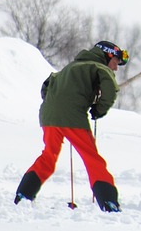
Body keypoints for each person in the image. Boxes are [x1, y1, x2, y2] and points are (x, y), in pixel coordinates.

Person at [14, 40, 127, 212]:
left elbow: (46, 87)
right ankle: (109, 202)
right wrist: (99, 109)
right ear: (107, 55)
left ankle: (24, 194)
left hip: (49, 117)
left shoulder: (69, 68)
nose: (116, 68)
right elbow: (110, 90)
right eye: (115, 62)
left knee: (48, 156)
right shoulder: (99, 67)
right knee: (92, 159)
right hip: (73, 118)